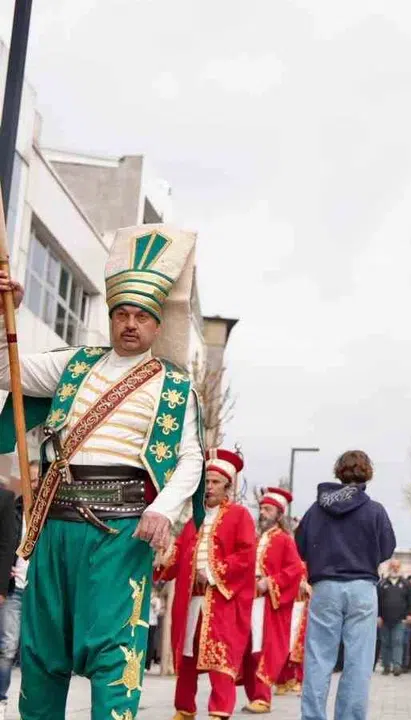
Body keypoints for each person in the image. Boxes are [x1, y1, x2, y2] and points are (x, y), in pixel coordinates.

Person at [0, 225, 204, 720]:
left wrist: (162, 508)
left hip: (121, 531)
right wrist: (4, 313)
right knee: (42, 651)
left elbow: (190, 458)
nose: (130, 324)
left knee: (116, 652)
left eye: (142, 316)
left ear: (156, 323)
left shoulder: (176, 387)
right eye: (122, 314)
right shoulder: (74, 364)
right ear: (111, 318)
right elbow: (7, 371)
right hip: (54, 524)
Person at [296, 450, 396, 720]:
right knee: (358, 661)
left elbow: (300, 545)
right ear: (368, 473)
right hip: (362, 586)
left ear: (338, 472)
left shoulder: (317, 509)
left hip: (326, 586)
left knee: (319, 658)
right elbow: (387, 547)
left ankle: (312, 716)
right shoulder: (375, 510)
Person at [160, 448, 257, 720]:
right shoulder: (195, 519)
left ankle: (220, 710)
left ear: (227, 486)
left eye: (215, 482)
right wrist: (163, 559)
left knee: (220, 654)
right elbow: (179, 554)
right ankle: (184, 708)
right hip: (192, 599)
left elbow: (246, 555)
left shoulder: (239, 515)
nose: (210, 487)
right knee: (188, 653)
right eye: (207, 482)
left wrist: (214, 572)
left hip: (222, 599)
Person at [241, 487, 306, 714]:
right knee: (249, 648)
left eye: (268, 509)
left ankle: (262, 697)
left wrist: (270, 582)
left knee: (263, 648)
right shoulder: (256, 538)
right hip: (249, 600)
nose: (262, 513)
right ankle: (254, 695)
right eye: (261, 508)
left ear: (279, 514)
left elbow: (295, 569)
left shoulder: (285, 540)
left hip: (268, 603)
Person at [0, 464, 27, 720]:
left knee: (37, 651)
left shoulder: (54, 516)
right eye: (32, 477)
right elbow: (6, 543)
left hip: (41, 590)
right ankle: (1, 699)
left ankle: (34, 702)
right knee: (7, 648)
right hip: (15, 589)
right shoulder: (15, 508)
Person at [376, 559, 411, 676]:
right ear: (389, 568)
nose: (395, 568)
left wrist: (410, 614)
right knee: (385, 642)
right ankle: (386, 666)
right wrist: (378, 616)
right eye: (393, 566)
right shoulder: (382, 584)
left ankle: (397, 666)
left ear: (400, 568)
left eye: (397, 566)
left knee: (398, 642)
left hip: (400, 620)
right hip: (384, 619)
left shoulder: (406, 584)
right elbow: (377, 601)